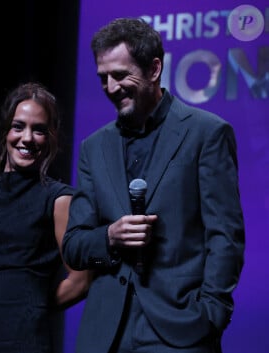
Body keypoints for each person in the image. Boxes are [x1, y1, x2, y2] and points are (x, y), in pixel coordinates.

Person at [62, 18, 245, 353]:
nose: (111, 87)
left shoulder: (206, 133)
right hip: (105, 335)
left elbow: (225, 236)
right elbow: (74, 244)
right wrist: (109, 237)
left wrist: (211, 314)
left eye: (120, 74)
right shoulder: (93, 147)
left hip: (181, 329)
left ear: (154, 68)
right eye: (103, 77)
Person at [0, 82, 91, 353]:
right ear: (5, 132)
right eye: (18, 126)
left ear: (51, 137)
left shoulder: (59, 200)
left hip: (21, 339)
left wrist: (32, 306)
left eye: (39, 130)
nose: (28, 138)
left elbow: (81, 280)